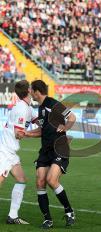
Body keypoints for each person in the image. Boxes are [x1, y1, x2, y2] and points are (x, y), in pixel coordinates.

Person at [25, 80, 76, 229]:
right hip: (45, 150)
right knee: (40, 182)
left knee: (51, 180)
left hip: (59, 148)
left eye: (31, 90)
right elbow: (42, 131)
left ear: (37, 91)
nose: (30, 93)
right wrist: (26, 134)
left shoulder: (52, 103)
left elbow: (72, 117)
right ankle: (47, 219)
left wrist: (65, 126)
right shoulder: (41, 108)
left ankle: (69, 211)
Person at [0, 80, 37, 224]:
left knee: (21, 180)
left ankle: (12, 216)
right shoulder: (22, 108)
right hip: (5, 151)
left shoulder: (28, 107)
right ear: (28, 91)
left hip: (11, 152)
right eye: (31, 87)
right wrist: (36, 134)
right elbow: (18, 134)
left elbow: (39, 122)